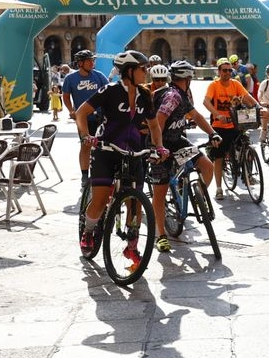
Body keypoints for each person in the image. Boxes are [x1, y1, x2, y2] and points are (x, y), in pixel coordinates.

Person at [76, 50, 169, 256]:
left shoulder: (145, 95)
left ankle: (132, 244)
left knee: (135, 203)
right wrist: (85, 136)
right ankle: (89, 231)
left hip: (134, 152)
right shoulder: (109, 90)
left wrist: (159, 147)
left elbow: (154, 126)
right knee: (100, 200)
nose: (146, 72)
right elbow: (82, 112)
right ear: (128, 71)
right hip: (106, 150)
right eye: (142, 69)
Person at [150, 61, 221, 253]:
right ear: (188, 78)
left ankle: (197, 196)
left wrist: (212, 133)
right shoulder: (172, 96)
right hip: (162, 144)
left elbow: (196, 116)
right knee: (160, 191)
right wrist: (158, 147)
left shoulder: (182, 94)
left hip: (177, 141)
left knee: (206, 166)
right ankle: (161, 235)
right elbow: (159, 120)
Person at [203, 57, 259, 200]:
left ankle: (248, 174)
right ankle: (219, 188)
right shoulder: (214, 85)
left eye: (230, 70)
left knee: (247, 146)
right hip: (220, 125)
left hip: (236, 123)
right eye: (225, 70)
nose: (228, 73)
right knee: (219, 156)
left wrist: (260, 108)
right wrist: (217, 114)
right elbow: (206, 102)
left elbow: (247, 98)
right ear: (219, 71)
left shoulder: (236, 84)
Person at [62, 50, 109, 186]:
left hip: (100, 117)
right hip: (83, 119)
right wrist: (71, 110)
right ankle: (84, 175)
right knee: (86, 145)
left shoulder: (99, 76)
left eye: (92, 60)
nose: (92, 63)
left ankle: (101, 173)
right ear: (80, 63)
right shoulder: (70, 79)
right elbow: (65, 96)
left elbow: (108, 91)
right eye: (89, 61)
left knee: (102, 147)